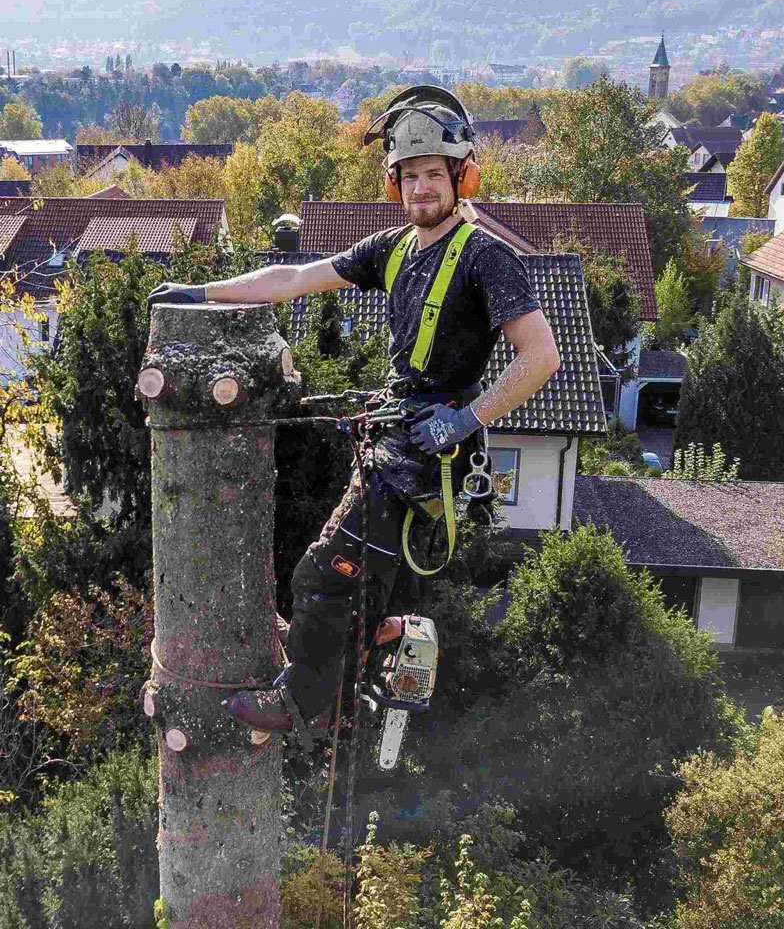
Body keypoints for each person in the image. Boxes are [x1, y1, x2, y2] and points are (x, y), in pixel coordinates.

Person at [146, 85, 560, 739]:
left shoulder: (486, 258)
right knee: (348, 575)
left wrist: (468, 417)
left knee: (320, 573)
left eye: (434, 175)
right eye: (411, 177)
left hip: (425, 455)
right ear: (395, 184)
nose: (422, 188)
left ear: (460, 177)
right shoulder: (395, 249)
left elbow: (540, 356)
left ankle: (298, 704)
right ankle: (390, 635)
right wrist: (204, 292)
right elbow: (291, 280)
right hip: (394, 444)